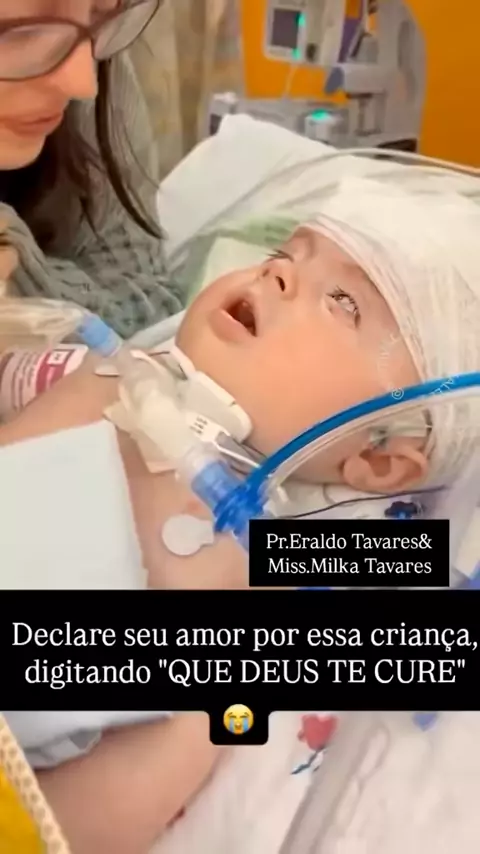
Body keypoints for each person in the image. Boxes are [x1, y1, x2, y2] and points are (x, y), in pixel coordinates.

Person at [1, 166, 480, 853]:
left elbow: (82, 821)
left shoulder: (275, 551)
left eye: (343, 302)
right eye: (284, 255)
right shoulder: (109, 367)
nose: (276, 274)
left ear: (378, 459)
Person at [0, 0, 184, 339]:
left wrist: (21, 267)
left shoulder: (95, 61)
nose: (83, 84)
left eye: (100, 14)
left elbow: (153, 310)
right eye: (16, 31)